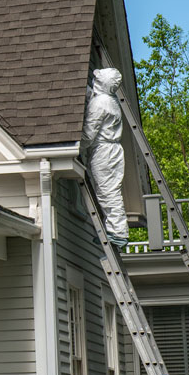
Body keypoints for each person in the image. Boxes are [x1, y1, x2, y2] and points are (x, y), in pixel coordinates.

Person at [83, 67, 129, 244]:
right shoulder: (111, 100)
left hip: (103, 151)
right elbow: (94, 97)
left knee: (106, 192)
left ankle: (117, 233)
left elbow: (88, 134)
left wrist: (74, 146)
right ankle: (118, 231)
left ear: (101, 82)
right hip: (113, 150)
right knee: (112, 189)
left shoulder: (99, 103)